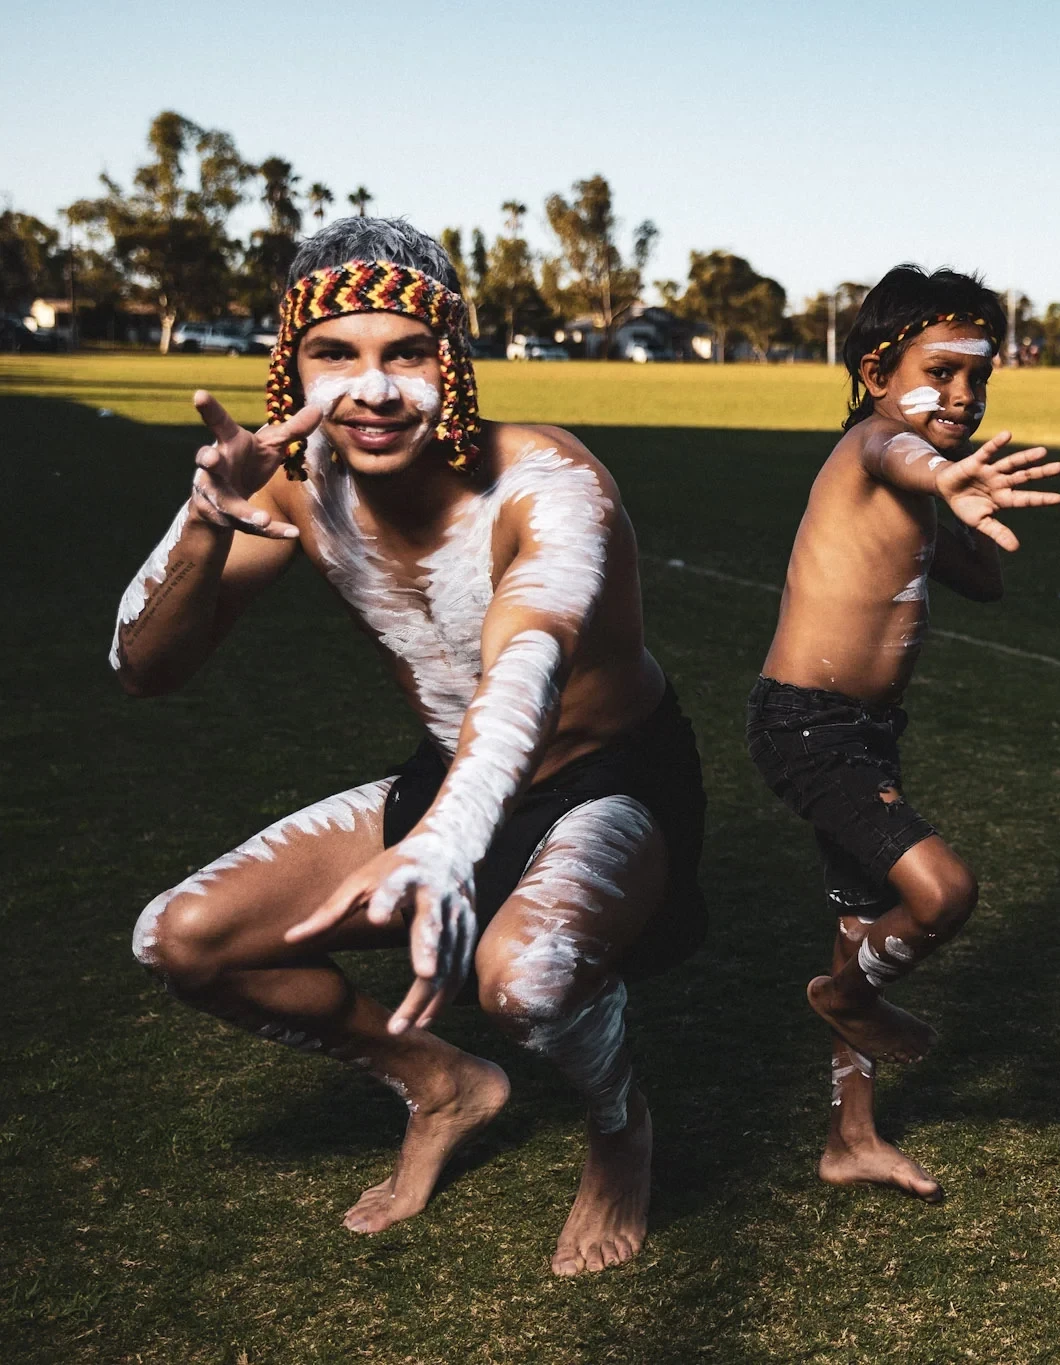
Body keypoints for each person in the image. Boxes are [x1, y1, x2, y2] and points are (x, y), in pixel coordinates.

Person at [115, 218, 708, 1276]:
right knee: (182, 938)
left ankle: (619, 1125)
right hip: (452, 777)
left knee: (521, 984)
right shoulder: (296, 487)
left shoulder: (549, 479)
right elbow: (146, 668)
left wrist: (445, 843)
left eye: (407, 353)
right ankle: (440, 1084)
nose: (374, 389)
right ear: (290, 368)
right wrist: (206, 520)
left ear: (455, 360)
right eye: (334, 355)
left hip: (605, 778)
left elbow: (526, 666)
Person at [745, 265, 1060, 1200]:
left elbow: (987, 580)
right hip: (809, 725)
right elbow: (898, 455)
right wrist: (942, 476)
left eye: (980, 378)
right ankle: (849, 998)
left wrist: (959, 506)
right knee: (942, 891)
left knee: (855, 922)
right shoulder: (874, 441)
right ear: (878, 368)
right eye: (942, 371)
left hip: (866, 729)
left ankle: (852, 1137)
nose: (963, 395)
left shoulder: (921, 469)